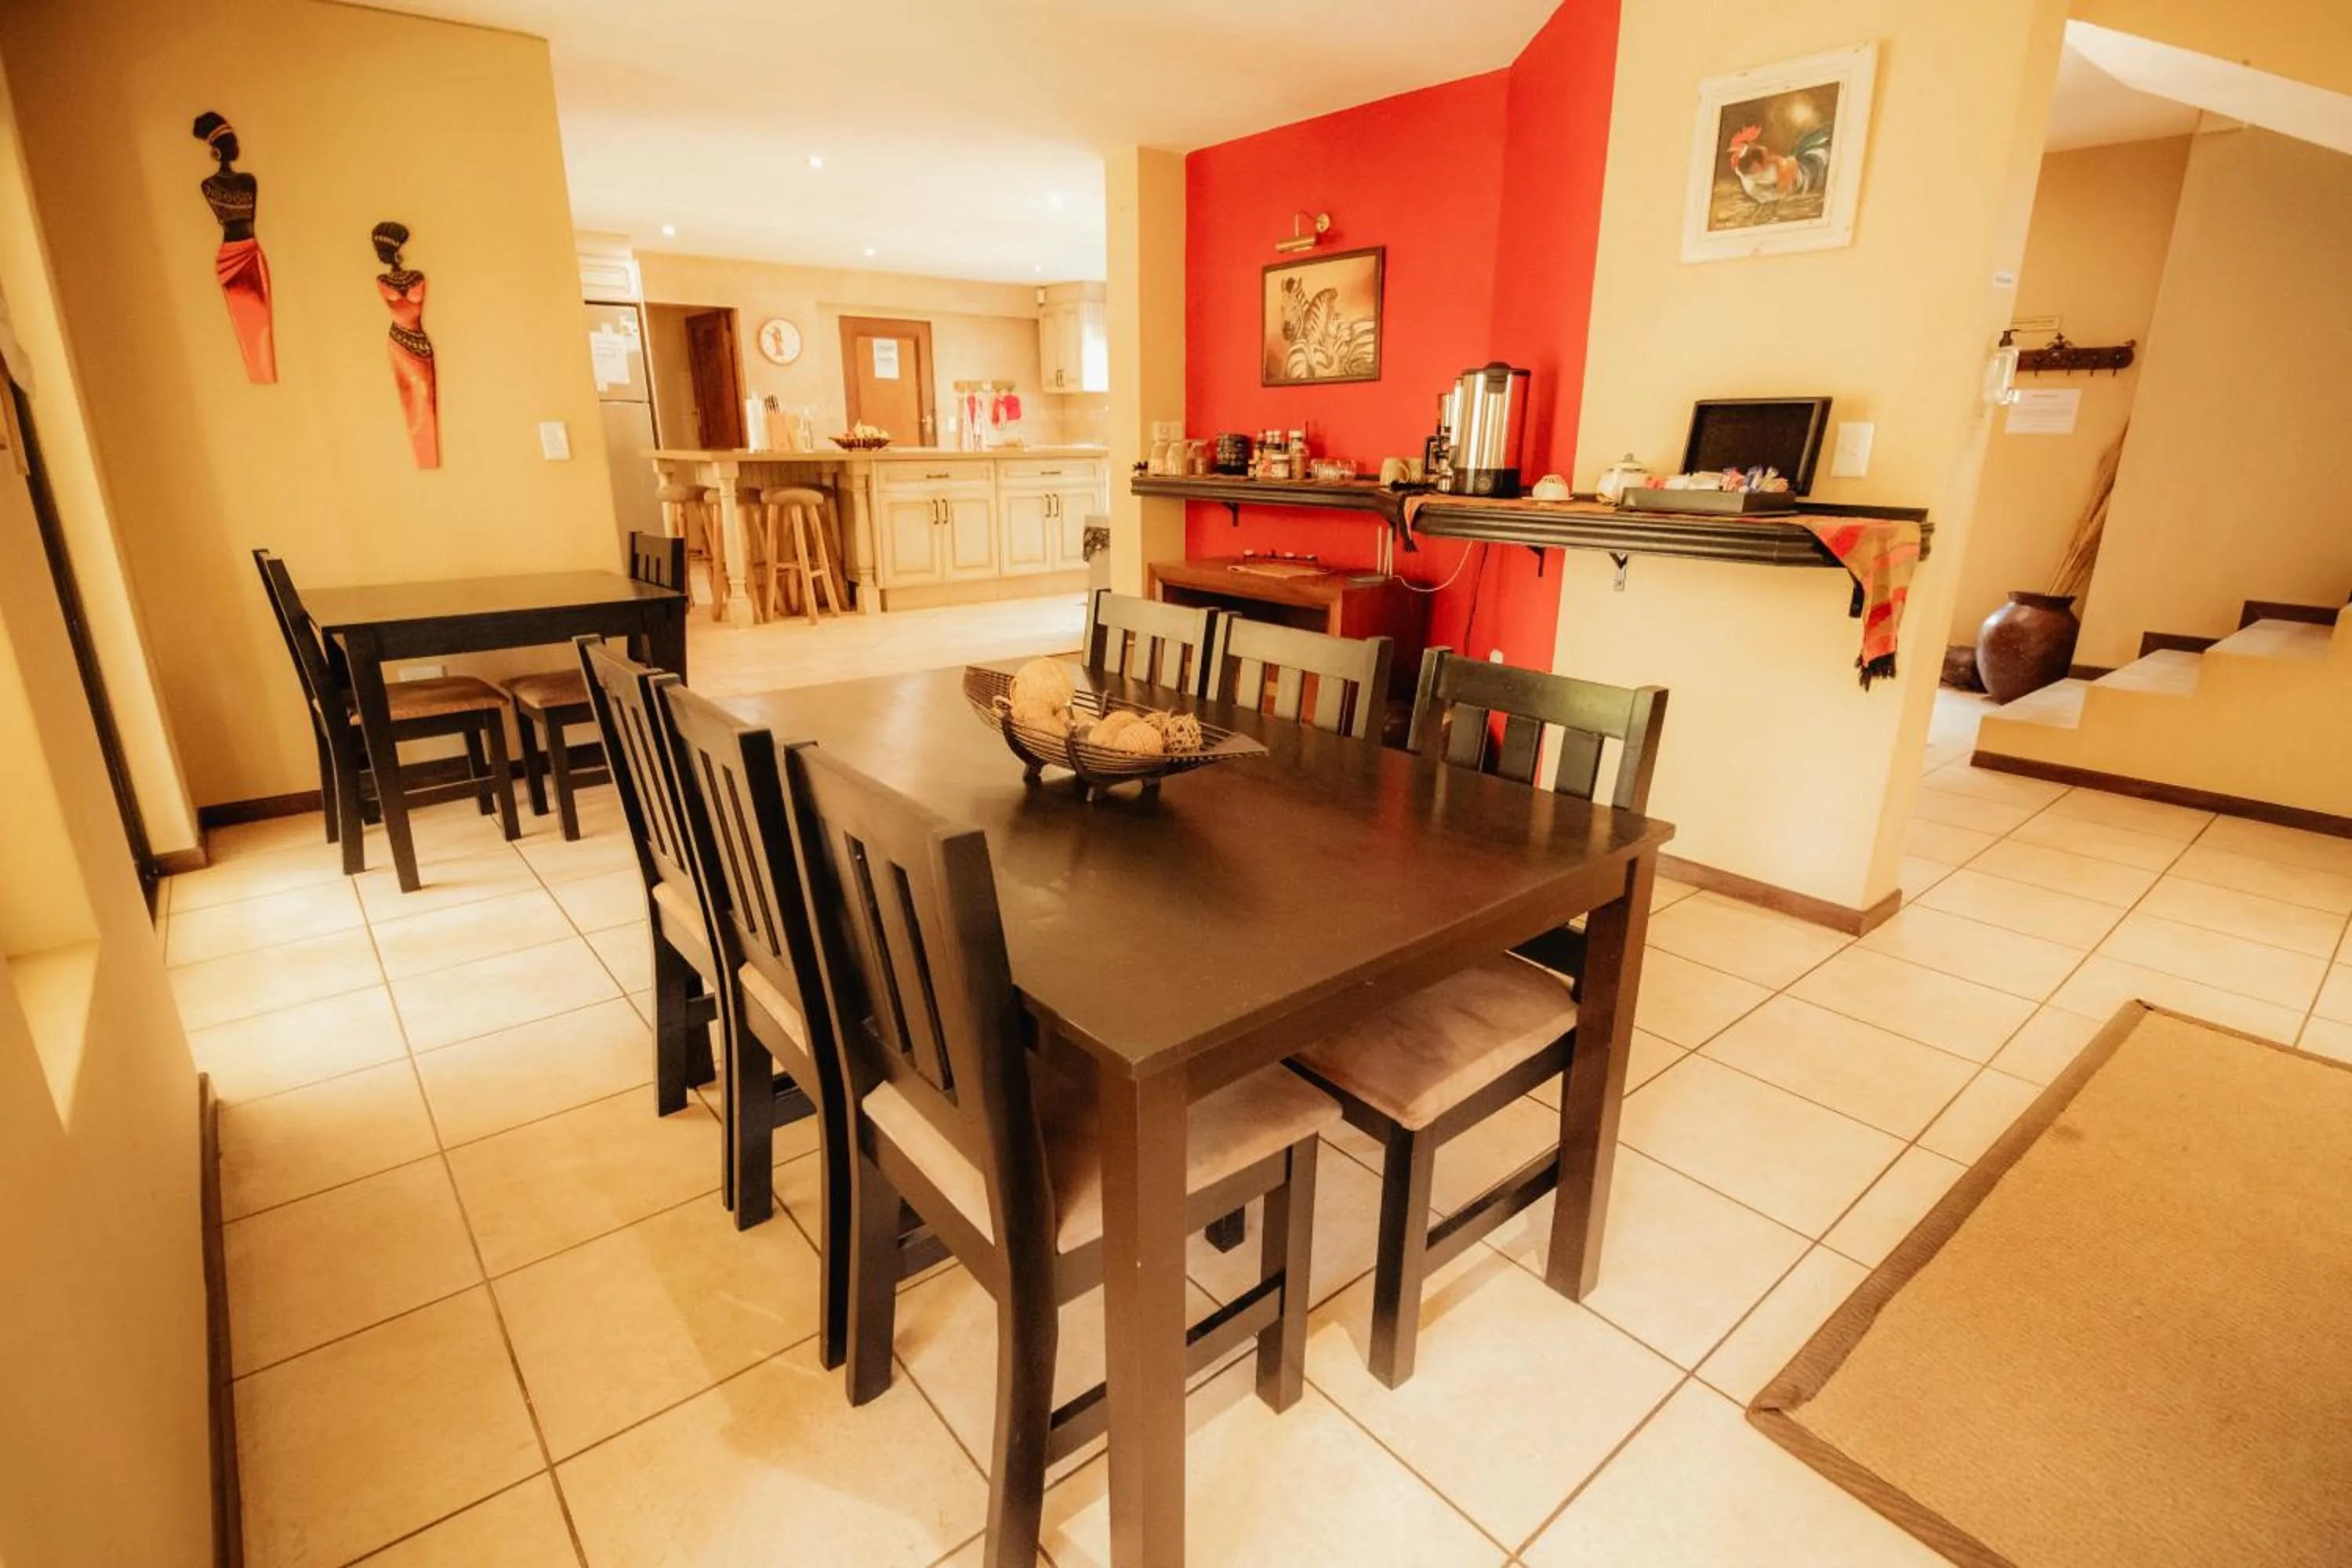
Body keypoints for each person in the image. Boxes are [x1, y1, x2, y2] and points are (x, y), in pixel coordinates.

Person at [193, 112, 274, 383]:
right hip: (230, 258)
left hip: (251, 252)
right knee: (246, 326)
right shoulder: (209, 185)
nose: (237, 149)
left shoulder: (249, 180)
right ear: (220, 150)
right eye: (232, 144)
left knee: (263, 324)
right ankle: (259, 379)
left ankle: (266, 376)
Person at [372, 221, 438, 469]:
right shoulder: (382, 280)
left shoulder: (416, 277)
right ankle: (425, 462)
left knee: (426, 399)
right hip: (399, 342)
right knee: (410, 401)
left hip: (419, 342)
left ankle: (429, 460)